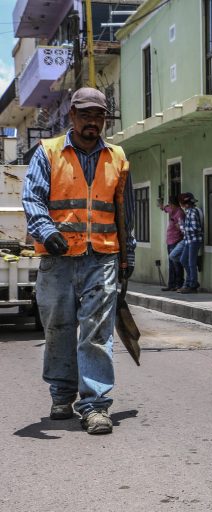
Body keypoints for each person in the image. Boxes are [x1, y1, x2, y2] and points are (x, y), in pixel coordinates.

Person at [21, 87, 136, 435]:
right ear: (72, 116)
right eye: (85, 115)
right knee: (59, 327)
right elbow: (33, 198)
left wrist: (127, 259)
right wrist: (45, 231)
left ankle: (95, 404)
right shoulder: (48, 152)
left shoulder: (117, 157)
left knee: (97, 332)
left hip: (101, 257)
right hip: (58, 260)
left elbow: (124, 213)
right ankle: (61, 393)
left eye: (98, 116)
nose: (92, 122)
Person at [170, 192, 203, 293]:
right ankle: (191, 281)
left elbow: (196, 228)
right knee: (183, 260)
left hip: (194, 241)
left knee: (191, 263)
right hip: (188, 240)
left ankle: (193, 285)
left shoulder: (192, 213)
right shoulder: (189, 212)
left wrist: (183, 227)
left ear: (184, 204)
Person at [158, 194, 185, 291]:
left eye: (170, 205)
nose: (169, 207)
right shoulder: (172, 210)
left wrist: (177, 225)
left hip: (176, 241)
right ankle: (171, 284)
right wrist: (161, 206)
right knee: (171, 263)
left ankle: (179, 284)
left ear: (174, 205)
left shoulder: (179, 213)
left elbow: (182, 229)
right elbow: (164, 208)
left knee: (176, 263)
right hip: (170, 242)